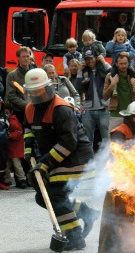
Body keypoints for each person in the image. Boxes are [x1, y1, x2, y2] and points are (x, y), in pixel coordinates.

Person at [23, 68, 97, 250]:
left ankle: (75, 237)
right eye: (33, 91)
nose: (37, 94)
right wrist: (28, 151)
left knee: (55, 195)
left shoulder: (61, 108)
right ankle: (86, 212)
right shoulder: (30, 109)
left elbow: (69, 143)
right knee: (43, 197)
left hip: (76, 157)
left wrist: (45, 163)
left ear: (48, 87)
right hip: (56, 156)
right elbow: (29, 130)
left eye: (40, 90)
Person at [79, 50, 111, 150]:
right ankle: (89, 161)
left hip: (104, 108)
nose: (89, 61)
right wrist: (80, 70)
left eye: (91, 58)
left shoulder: (102, 70)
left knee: (106, 137)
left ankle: (106, 160)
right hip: (88, 109)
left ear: (95, 58)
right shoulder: (85, 72)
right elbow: (78, 87)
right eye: (87, 59)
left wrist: (104, 62)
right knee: (87, 139)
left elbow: (113, 72)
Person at [103, 54, 135, 131]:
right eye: (121, 64)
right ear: (116, 64)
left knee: (131, 141)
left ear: (128, 63)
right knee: (114, 141)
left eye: (125, 63)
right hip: (116, 114)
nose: (123, 66)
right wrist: (112, 84)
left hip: (131, 114)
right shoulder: (110, 76)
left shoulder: (134, 75)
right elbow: (105, 96)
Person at [5, 46, 36, 124]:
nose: (26, 59)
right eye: (23, 57)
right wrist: (26, 105)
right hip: (20, 112)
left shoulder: (36, 73)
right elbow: (11, 95)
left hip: (36, 110)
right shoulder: (12, 75)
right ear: (18, 58)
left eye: (27, 56)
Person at [106, 28, 135, 96]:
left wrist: (127, 54)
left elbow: (133, 52)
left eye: (122, 35)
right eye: (118, 35)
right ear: (115, 36)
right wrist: (113, 41)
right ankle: (114, 89)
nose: (120, 37)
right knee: (113, 74)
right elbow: (108, 49)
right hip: (115, 64)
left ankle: (134, 87)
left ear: (125, 37)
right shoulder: (112, 44)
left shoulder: (127, 44)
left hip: (126, 65)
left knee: (133, 73)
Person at [4, 102, 27, 189]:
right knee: (7, 164)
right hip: (10, 146)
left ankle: (21, 179)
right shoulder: (9, 120)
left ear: (11, 112)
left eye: (7, 112)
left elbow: (19, 132)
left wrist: (11, 135)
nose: (6, 114)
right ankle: (8, 179)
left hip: (14, 146)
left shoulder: (13, 121)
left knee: (16, 164)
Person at [0, 98, 9, 190]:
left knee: (2, 162)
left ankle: (1, 180)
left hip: (3, 143)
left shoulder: (4, 116)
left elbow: (8, 126)